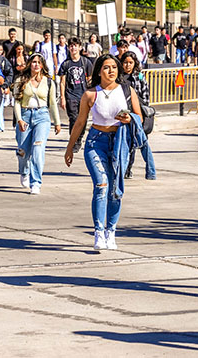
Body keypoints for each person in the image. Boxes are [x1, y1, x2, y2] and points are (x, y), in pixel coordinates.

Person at [64, 54, 144, 251]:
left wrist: (129, 119)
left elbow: (139, 117)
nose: (111, 71)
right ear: (99, 71)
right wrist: (70, 147)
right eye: (107, 68)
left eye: (114, 67)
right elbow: (80, 122)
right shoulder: (90, 94)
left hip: (119, 144)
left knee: (115, 191)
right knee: (101, 185)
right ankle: (99, 232)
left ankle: (111, 231)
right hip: (95, 143)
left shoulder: (126, 90)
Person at [13, 54, 61, 195]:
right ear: (29, 64)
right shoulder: (20, 80)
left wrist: (57, 122)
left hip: (42, 117)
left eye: (39, 62)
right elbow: (16, 102)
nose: (36, 65)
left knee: (38, 149)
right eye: (33, 62)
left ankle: (36, 183)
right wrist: (20, 119)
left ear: (42, 65)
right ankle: (24, 171)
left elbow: (52, 103)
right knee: (23, 151)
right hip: (25, 115)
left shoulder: (49, 82)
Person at [119, 52, 156, 180]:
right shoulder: (119, 77)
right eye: (125, 62)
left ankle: (146, 170)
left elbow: (145, 95)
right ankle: (126, 168)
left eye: (130, 62)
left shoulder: (139, 76)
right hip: (123, 113)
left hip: (137, 115)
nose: (127, 65)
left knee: (139, 143)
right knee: (126, 143)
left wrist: (142, 111)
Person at [59, 37, 94, 152]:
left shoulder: (86, 62)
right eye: (71, 46)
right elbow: (62, 82)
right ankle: (73, 140)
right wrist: (63, 98)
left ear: (79, 47)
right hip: (71, 95)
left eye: (75, 45)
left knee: (83, 119)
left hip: (83, 95)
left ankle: (79, 139)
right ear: (68, 48)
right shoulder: (66, 64)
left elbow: (90, 79)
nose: (73, 48)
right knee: (73, 118)